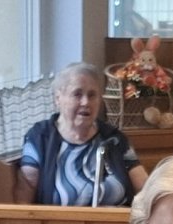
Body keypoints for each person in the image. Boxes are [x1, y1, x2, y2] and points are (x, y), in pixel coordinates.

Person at [15, 63, 149, 207]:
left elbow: (144, 188)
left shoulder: (114, 139)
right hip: (59, 220)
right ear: (58, 98)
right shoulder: (40, 137)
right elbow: (25, 193)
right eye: (77, 94)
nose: (85, 102)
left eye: (92, 95)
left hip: (116, 219)